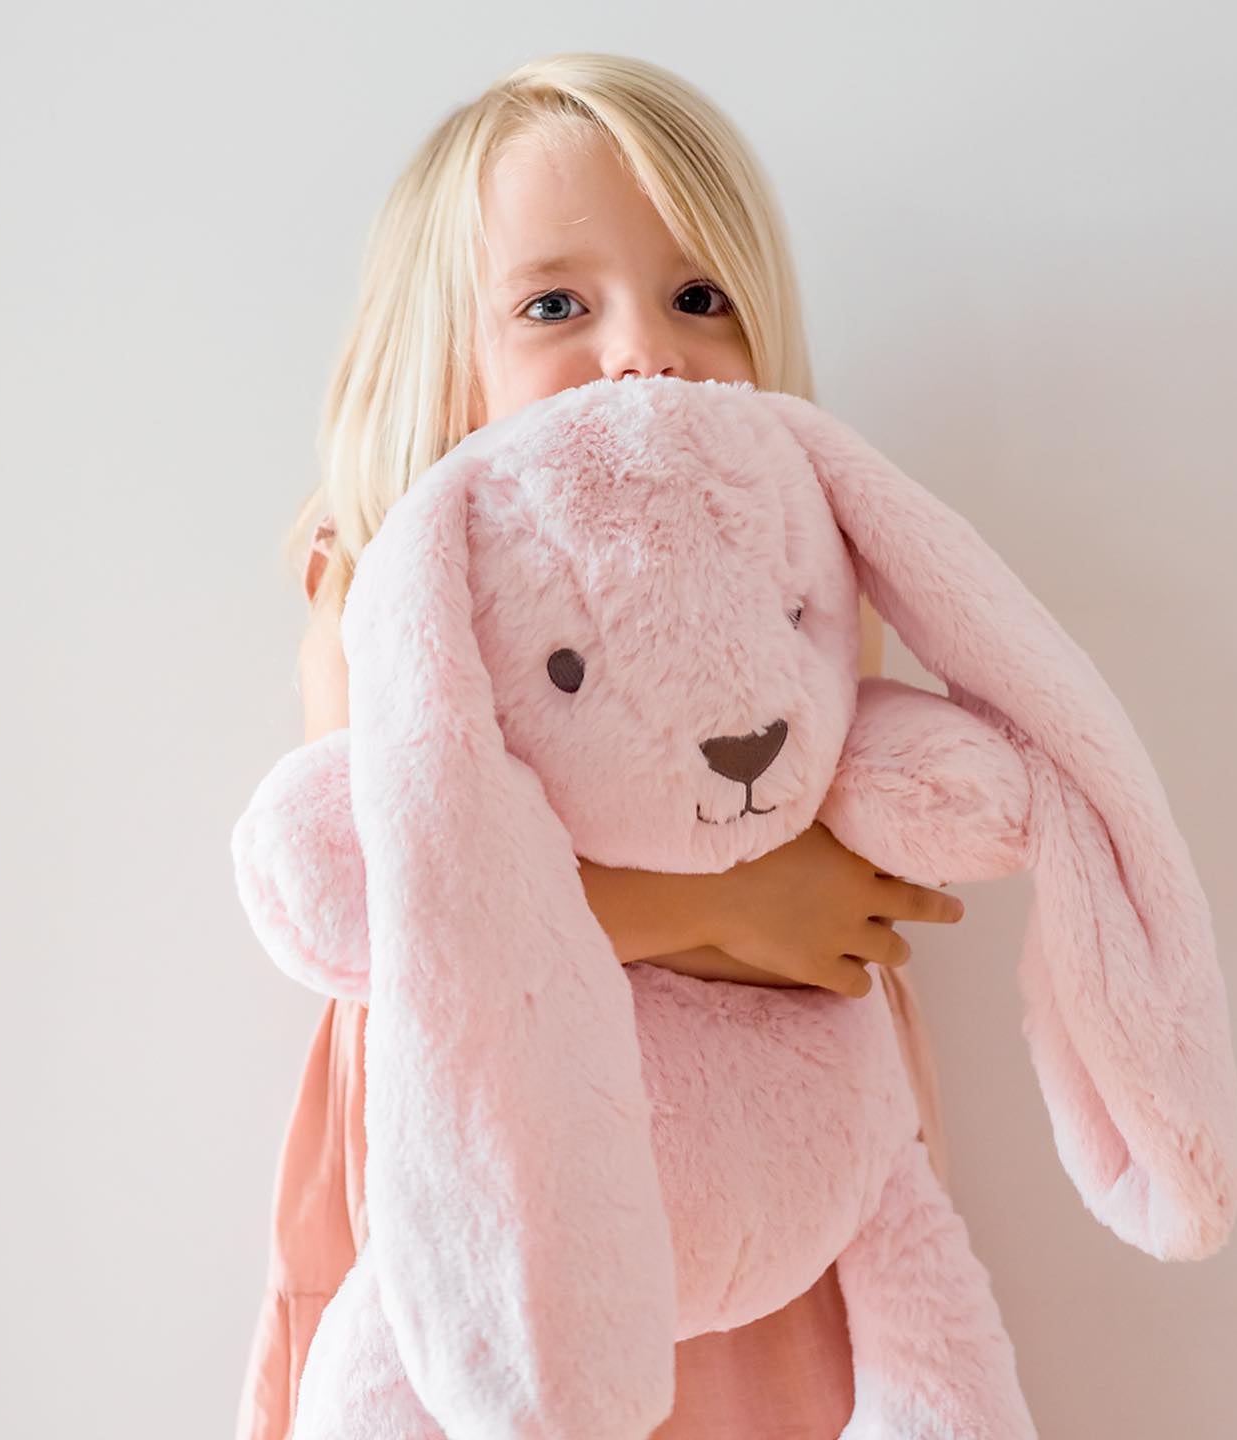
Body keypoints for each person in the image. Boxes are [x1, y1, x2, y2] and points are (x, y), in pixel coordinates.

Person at [237, 53, 964, 1440]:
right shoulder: (390, 580)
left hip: (766, 1171)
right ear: (449, 365)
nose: (643, 348)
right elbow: (393, 902)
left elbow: (856, 884)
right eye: (555, 305)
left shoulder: (791, 560)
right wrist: (734, 904)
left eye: (701, 297)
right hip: (503, 1169)